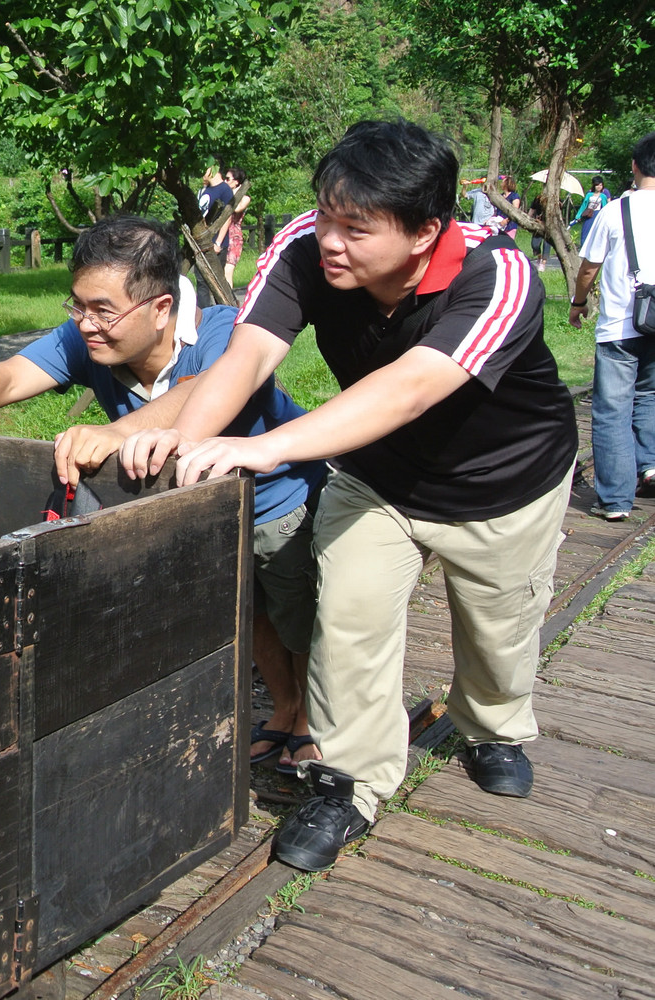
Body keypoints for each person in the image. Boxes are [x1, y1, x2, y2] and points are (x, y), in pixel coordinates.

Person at [120, 119, 577, 872]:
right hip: (378, 480)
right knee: (347, 619)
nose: (331, 239)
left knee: (499, 636)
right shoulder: (305, 245)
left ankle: (493, 727)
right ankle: (347, 782)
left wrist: (265, 446)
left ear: (426, 231)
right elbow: (249, 355)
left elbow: (410, 388)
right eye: (328, 216)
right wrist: (185, 445)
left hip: (503, 487)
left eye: (357, 229)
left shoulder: (497, 274)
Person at [0, 215, 327, 774]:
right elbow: (9, 376)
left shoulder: (226, 333)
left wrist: (118, 432)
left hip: (277, 499)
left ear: (161, 308)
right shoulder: (89, 338)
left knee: (298, 614)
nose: (85, 324)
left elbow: (200, 391)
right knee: (249, 611)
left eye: (103, 311)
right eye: (77, 306)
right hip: (198, 511)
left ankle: (309, 720)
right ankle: (284, 709)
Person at [571, 132, 655, 520]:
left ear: (635, 166)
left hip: (621, 327)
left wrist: (579, 303)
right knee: (650, 396)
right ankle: (650, 466)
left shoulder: (615, 211)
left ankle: (616, 500)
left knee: (611, 411)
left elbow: (589, 269)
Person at [214, 166, 252, 289]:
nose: (225, 181)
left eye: (228, 179)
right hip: (221, 234)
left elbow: (236, 208)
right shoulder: (223, 196)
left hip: (233, 237)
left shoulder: (245, 198)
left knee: (227, 271)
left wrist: (233, 194)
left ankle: (228, 298)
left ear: (236, 182)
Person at [574, 176, 610, 246]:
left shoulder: (603, 196)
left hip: (598, 214)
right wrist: (578, 215)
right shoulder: (589, 195)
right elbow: (584, 205)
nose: (599, 187)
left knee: (597, 233)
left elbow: (605, 207)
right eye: (597, 185)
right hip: (589, 214)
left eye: (600, 185)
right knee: (585, 231)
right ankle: (583, 246)